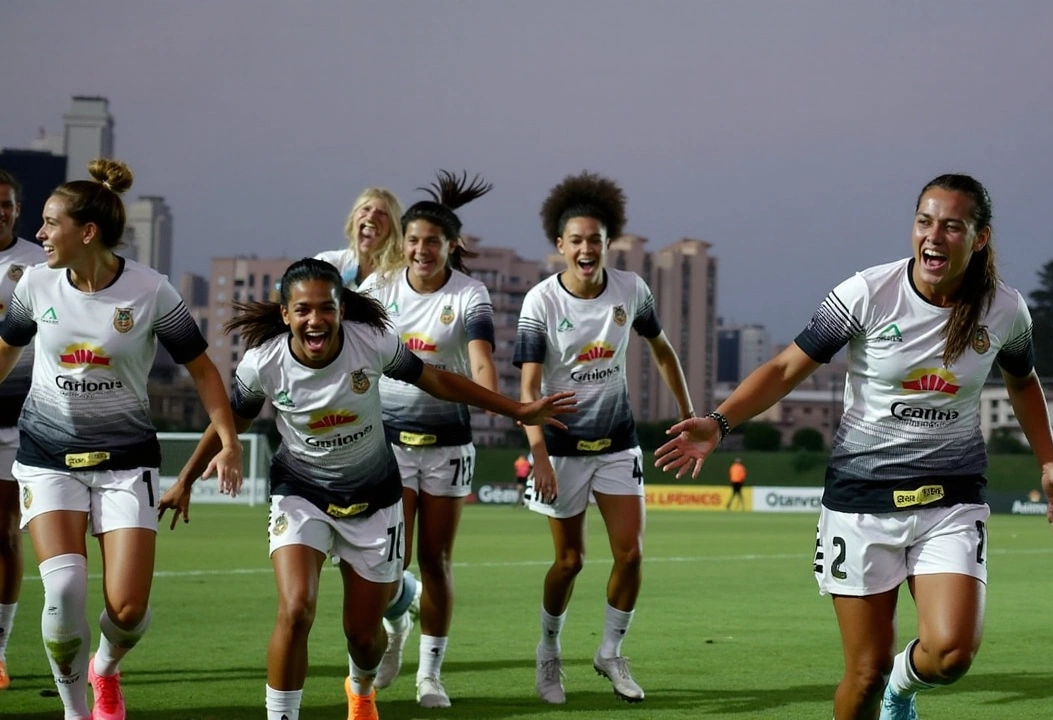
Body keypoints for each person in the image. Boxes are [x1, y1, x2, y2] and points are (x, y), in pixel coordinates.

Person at [655, 173, 1053, 720]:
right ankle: (884, 687)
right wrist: (719, 422)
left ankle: (901, 691)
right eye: (924, 222)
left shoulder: (1006, 310)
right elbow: (787, 367)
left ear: (979, 239)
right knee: (863, 676)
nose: (934, 236)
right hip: (861, 502)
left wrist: (1048, 462)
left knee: (951, 654)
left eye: (952, 226)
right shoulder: (867, 292)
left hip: (949, 500)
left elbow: (1023, 381)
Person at [158, 258, 574, 720]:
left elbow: (436, 379)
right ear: (285, 315)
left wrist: (517, 408)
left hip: (374, 499)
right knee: (296, 610)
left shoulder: (371, 343)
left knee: (362, 635)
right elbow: (228, 422)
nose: (314, 320)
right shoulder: (263, 364)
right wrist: (185, 480)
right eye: (302, 310)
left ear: (340, 310)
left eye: (325, 309)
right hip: (301, 494)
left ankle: (361, 690)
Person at [0, 159, 243, 719]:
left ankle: (105, 667)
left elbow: (204, 372)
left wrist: (228, 441)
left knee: (128, 610)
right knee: (62, 594)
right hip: (46, 458)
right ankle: (76, 712)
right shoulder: (34, 283)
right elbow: (6, 350)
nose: (39, 235)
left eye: (49, 223)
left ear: (87, 233)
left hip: (126, 462)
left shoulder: (152, 290)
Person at [517, 172, 695, 704]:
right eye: (576, 240)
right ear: (560, 247)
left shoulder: (631, 290)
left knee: (632, 554)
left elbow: (662, 350)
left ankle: (611, 652)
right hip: (563, 450)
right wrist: (540, 457)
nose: (587, 248)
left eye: (595, 239)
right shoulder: (540, 303)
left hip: (618, 444)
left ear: (607, 242)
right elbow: (528, 389)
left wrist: (689, 415)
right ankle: (548, 654)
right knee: (569, 562)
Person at [357, 170, 496, 707]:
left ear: (451, 247)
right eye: (413, 240)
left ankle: (429, 676)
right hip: (386, 444)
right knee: (388, 563)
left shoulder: (470, 294)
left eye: (432, 242)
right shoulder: (376, 290)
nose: (421, 250)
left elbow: (481, 361)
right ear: (403, 243)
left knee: (435, 561)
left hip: (447, 446)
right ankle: (397, 630)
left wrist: (502, 405)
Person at [0, 169, 48, 690]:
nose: (2, 212)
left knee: (3, 533)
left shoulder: (38, 264)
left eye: (8, 204)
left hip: (14, 418)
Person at [317, 188, 404, 289]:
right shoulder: (332, 263)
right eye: (366, 209)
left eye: (381, 213)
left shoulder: (400, 275)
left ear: (393, 227)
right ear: (353, 218)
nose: (371, 216)